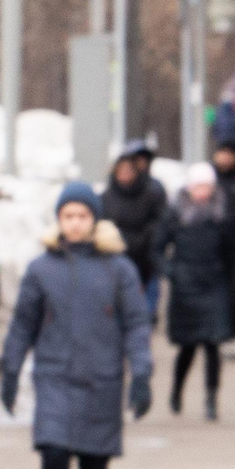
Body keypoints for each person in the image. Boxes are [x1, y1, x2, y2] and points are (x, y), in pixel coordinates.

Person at [0, 182, 152, 469]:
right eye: (68, 216)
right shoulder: (42, 269)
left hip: (101, 380)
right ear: (59, 220)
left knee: (93, 467)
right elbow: (23, 324)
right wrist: (11, 370)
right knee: (53, 458)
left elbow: (136, 323)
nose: (75, 223)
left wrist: (142, 372)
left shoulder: (118, 268)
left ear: (94, 220)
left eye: (82, 216)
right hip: (54, 378)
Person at [160, 162, 235, 419]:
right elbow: (158, 247)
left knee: (213, 345)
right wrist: (171, 272)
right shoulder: (175, 213)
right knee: (187, 347)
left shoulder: (222, 213)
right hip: (185, 286)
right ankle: (177, 390)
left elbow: (232, 251)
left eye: (207, 186)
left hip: (214, 284)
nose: (202, 191)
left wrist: (234, 283)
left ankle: (211, 399)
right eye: (198, 186)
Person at [96, 139, 170, 331]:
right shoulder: (106, 197)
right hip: (117, 254)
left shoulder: (152, 191)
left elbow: (160, 220)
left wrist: (146, 239)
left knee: (145, 303)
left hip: (145, 254)